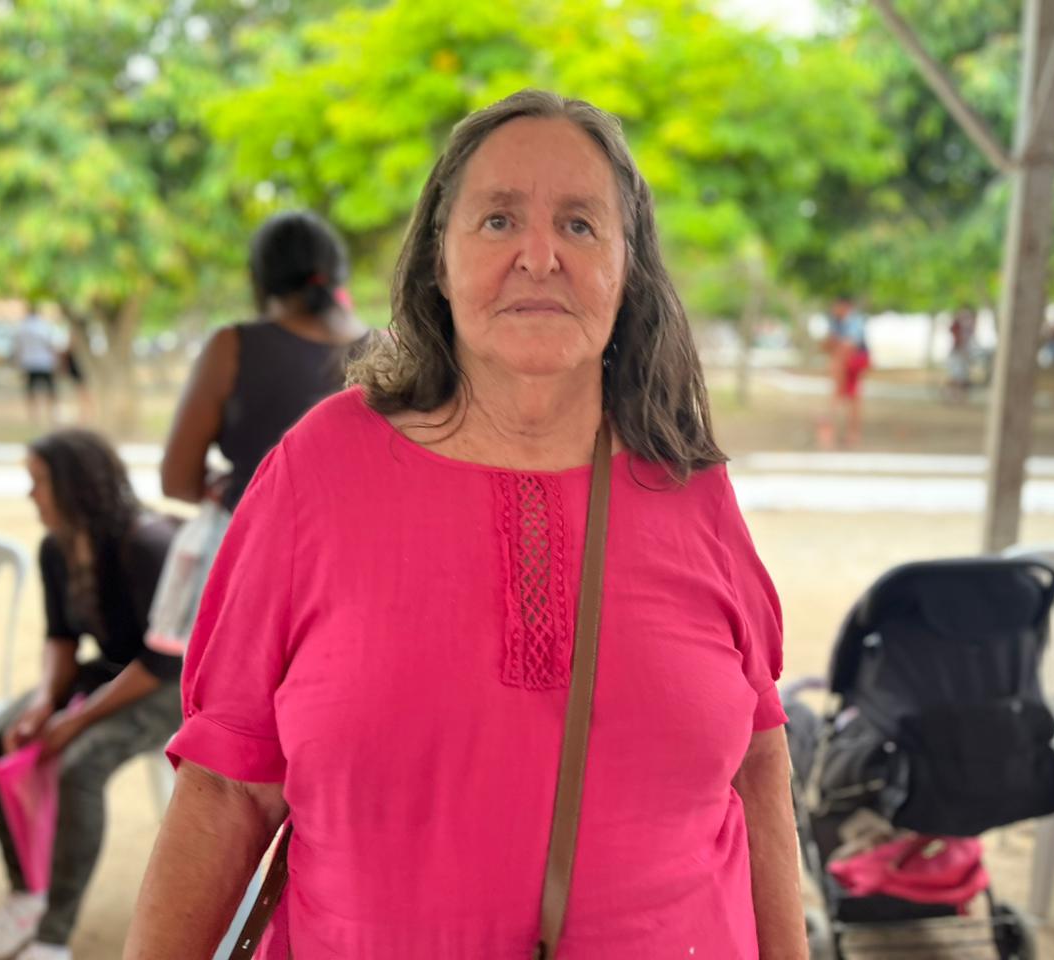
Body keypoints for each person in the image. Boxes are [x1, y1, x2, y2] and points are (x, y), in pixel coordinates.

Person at [126, 90, 806, 959]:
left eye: (580, 225)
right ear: (438, 264)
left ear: (627, 270)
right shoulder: (319, 470)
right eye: (497, 220)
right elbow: (227, 789)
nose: (540, 257)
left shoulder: (688, 483)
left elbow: (758, 759)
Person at [0, 430, 182, 960]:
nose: (30, 494)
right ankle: (26, 897)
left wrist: (75, 722)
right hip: (111, 671)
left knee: (80, 764)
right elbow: (60, 636)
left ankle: (52, 938)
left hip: (171, 684)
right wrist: (44, 704)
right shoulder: (55, 546)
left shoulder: (146, 543)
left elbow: (161, 661)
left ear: (76, 485)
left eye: (39, 481)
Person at [160, 210, 370, 512]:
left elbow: (177, 481)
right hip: (366, 536)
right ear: (339, 271)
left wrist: (227, 487)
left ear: (259, 279)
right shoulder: (389, 349)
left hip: (262, 534)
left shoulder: (232, 347)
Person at [817, 295, 870, 449]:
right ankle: (837, 431)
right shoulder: (835, 322)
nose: (834, 310)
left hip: (855, 360)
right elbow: (827, 344)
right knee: (845, 396)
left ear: (845, 307)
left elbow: (849, 345)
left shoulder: (854, 321)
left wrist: (836, 359)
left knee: (849, 397)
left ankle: (849, 432)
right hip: (843, 361)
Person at [13, 304, 60, 427]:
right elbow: (51, 344)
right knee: (50, 390)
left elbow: (18, 347)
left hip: (29, 362)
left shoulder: (22, 326)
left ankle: (33, 416)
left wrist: (18, 362)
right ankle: (52, 414)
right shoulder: (43, 326)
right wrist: (56, 361)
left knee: (31, 390)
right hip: (45, 362)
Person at [945, 305, 977, 402]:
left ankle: (958, 396)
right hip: (958, 352)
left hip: (962, 352)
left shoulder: (965, 328)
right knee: (957, 376)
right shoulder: (959, 327)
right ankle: (955, 395)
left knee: (961, 376)